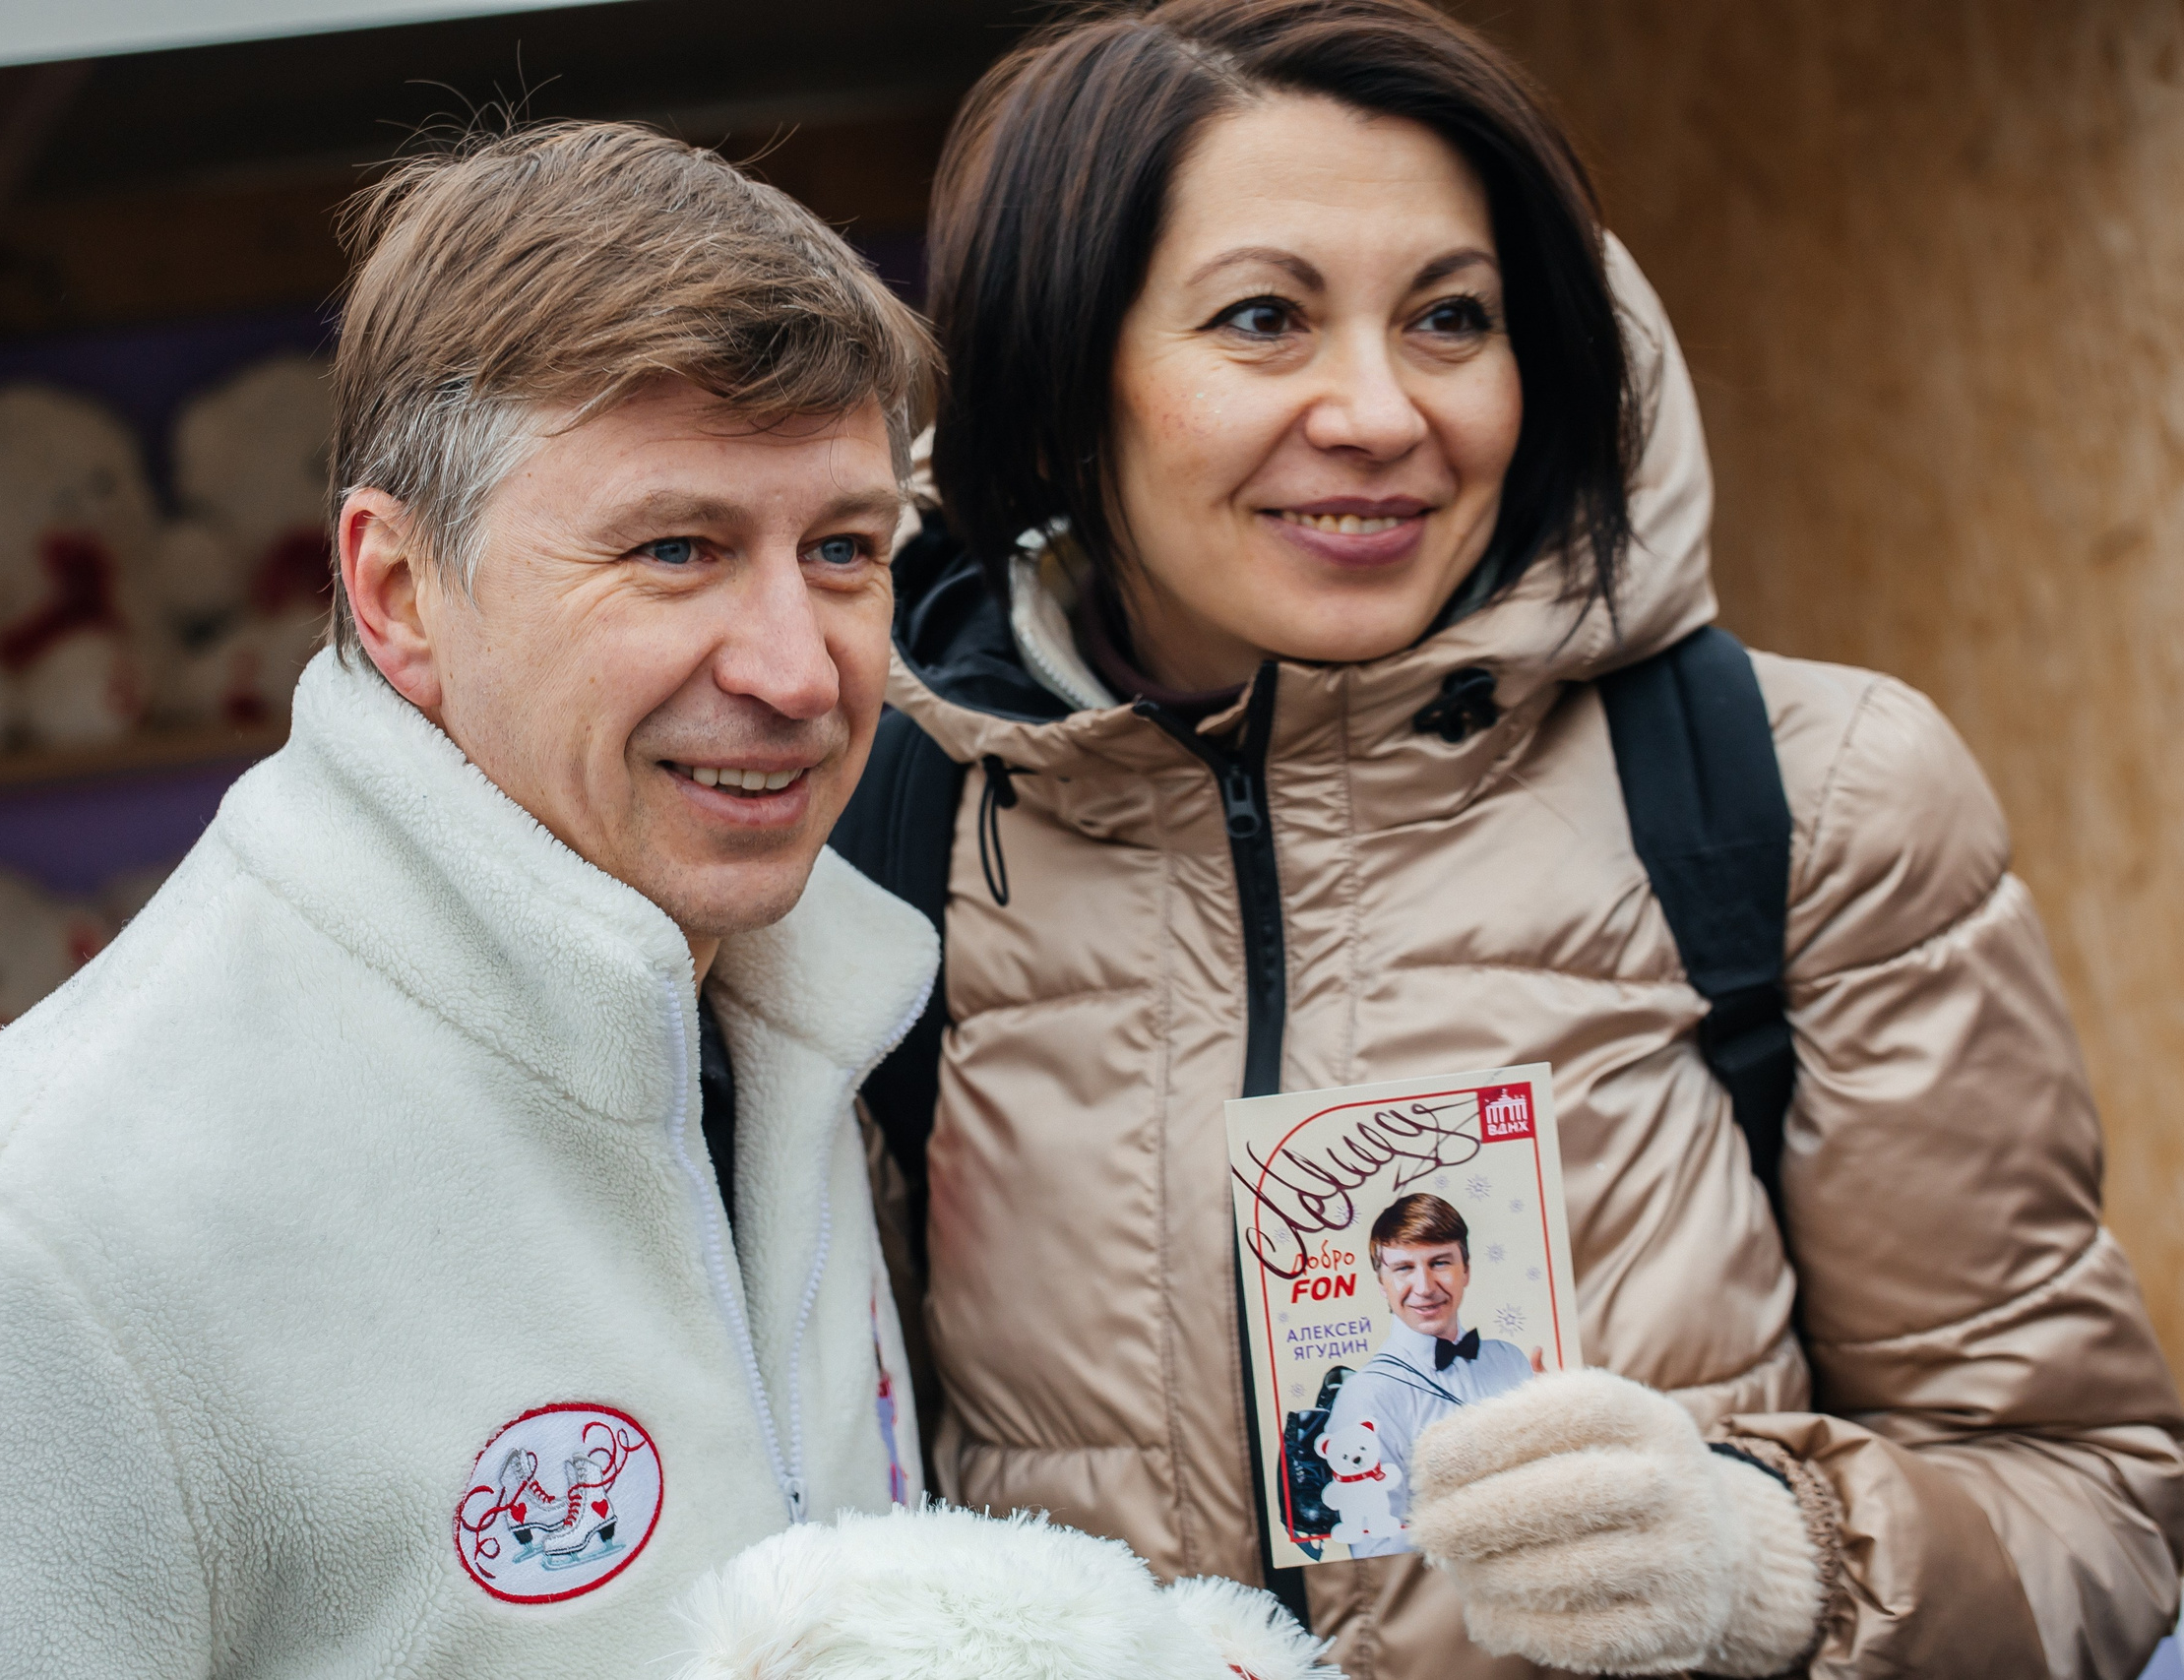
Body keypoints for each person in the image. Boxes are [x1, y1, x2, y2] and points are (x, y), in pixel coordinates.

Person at [844, 2, 2184, 1676]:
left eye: (1449, 318)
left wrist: (1769, 1559)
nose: (1382, 411)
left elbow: (2095, 1504)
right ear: (1064, 379)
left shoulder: (1796, 790)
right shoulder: (883, 836)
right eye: (1263, 319)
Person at [0, 123, 944, 1678]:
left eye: (843, 549)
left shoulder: (790, 1031)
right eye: (675, 549)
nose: (796, 666)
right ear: (398, 590)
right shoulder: (14, 1229)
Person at [1319, 1195, 1534, 1558]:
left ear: (1466, 1270)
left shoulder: (1511, 1359)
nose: (1424, 1287)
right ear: (1381, 1282)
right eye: (1404, 1268)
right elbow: (1374, 1546)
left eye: (1440, 1263)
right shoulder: (1366, 1396)